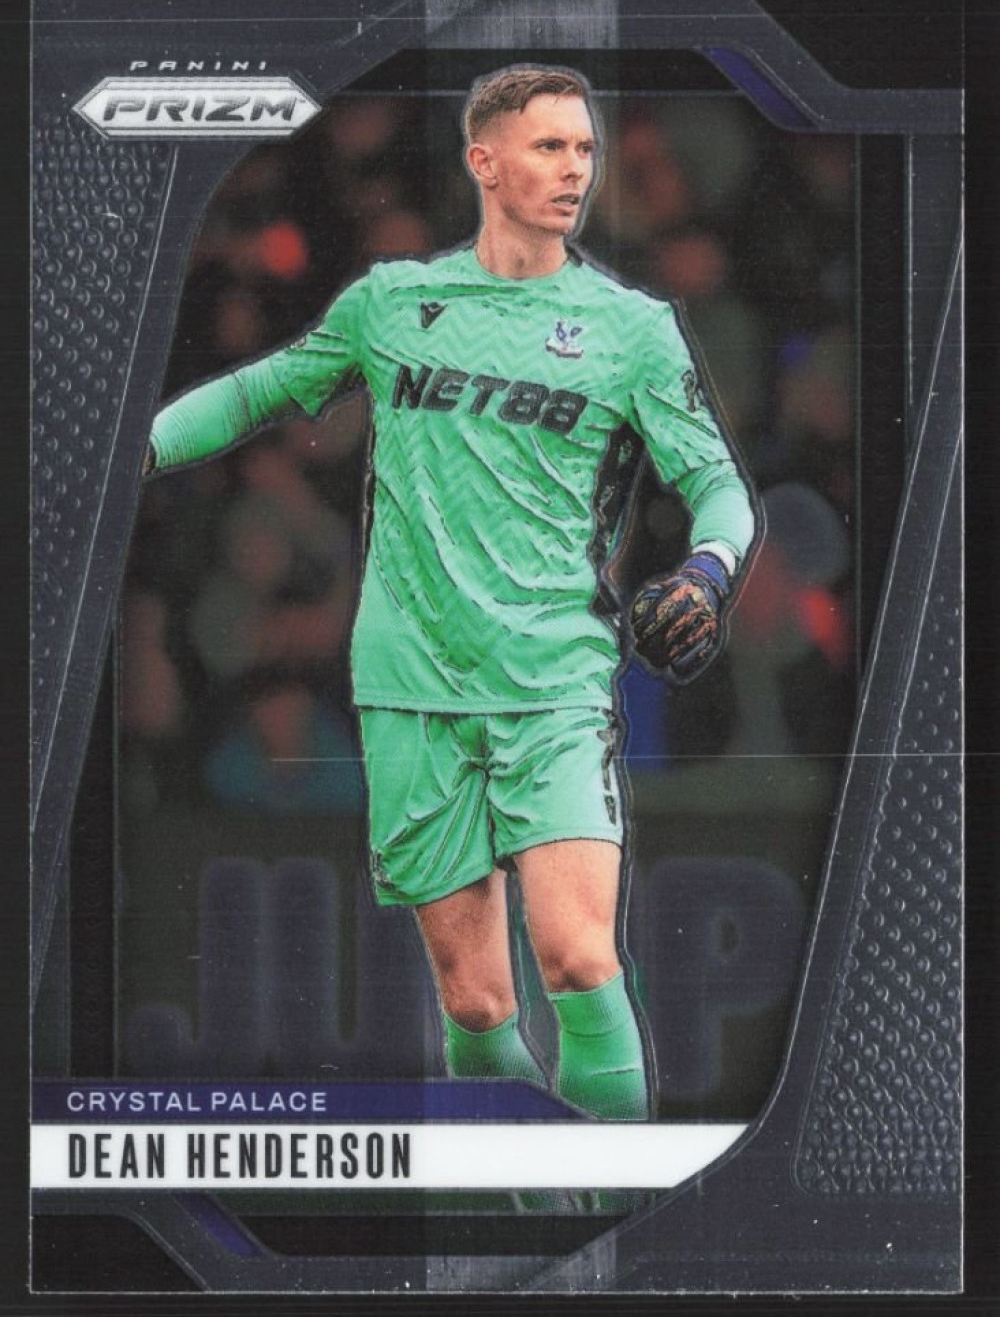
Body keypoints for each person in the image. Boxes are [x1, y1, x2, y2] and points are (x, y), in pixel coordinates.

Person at [144, 65, 756, 1122]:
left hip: (552, 681)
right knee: (475, 1002)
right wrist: (121, 457)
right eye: (549, 147)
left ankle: (619, 1210)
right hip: (409, 682)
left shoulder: (631, 328)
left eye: (584, 148)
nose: (575, 169)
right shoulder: (390, 305)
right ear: (484, 161)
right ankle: (529, 1205)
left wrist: (708, 568)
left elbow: (720, 488)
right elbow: (256, 394)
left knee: (576, 956)